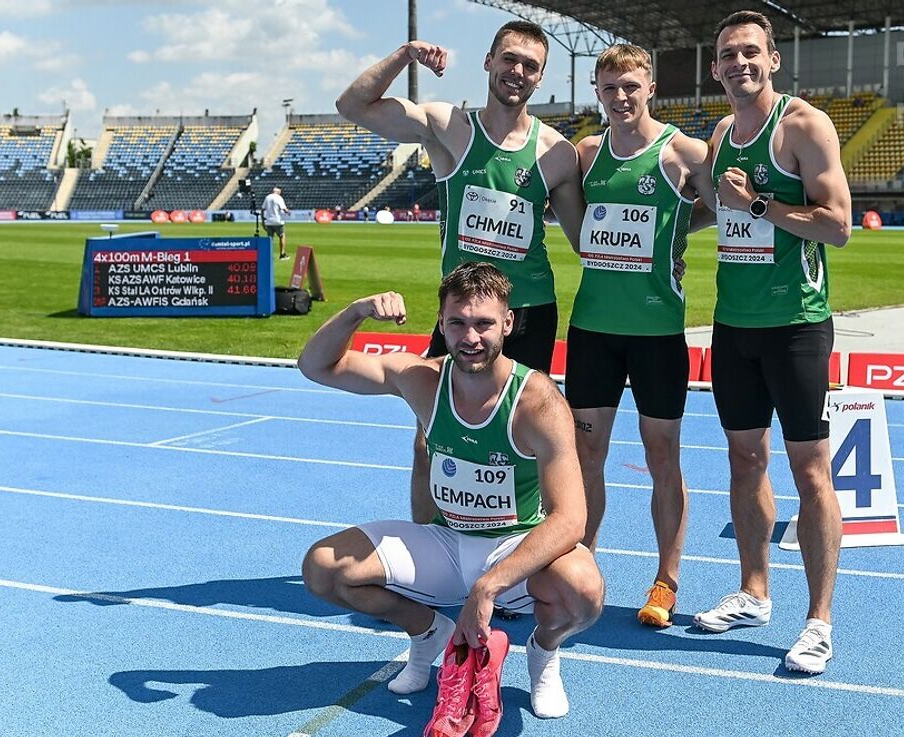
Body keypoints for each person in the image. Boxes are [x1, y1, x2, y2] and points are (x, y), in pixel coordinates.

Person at [298, 261, 604, 721]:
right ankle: (427, 633)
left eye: (483, 324)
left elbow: (570, 520)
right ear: (441, 323)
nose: (470, 337)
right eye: (457, 323)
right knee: (324, 569)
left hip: (515, 545)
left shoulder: (537, 401)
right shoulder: (421, 379)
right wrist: (358, 311)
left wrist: (489, 585)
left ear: (508, 323)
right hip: (446, 541)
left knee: (584, 589)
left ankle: (544, 654)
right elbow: (316, 365)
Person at [336, 20, 584, 526]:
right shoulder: (449, 128)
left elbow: (587, 240)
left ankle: (517, 548)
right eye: (509, 59)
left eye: (530, 65)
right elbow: (352, 107)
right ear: (488, 61)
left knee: (524, 438)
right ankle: (428, 546)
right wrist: (405, 53)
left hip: (528, 311)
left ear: (541, 79)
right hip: (461, 314)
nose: (518, 71)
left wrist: (680, 228)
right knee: (431, 437)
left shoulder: (556, 153)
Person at [694, 10, 851, 675]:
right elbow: (711, 206)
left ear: (774, 59)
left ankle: (818, 621)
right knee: (743, 459)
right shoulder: (723, 132)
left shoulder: (804, 126)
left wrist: (758, 204)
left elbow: (838, 225)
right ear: (715, 68)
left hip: (796, 325)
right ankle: (754, 591)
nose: (740, 63)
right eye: (729, 55)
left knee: (809, 470)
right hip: (734, 325)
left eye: (751, 52)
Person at [564, 44, 716, 628]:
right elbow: (573, 217)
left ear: (649, 86)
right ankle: (584, 566)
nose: (620, 97)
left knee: (662, 457)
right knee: (586, 456)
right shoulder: (587, 152)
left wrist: (675, 232)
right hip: (594, 329)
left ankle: (666, 581)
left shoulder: (685, 152)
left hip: (657, 333)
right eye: (609, 88)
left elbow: (715, 210)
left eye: (630, 86)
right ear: (598, 93)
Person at [261, 187, 289, 260]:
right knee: (282, 235)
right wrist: (288, 212)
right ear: (278, 192)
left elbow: (263, 209)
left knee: (270, 239)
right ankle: (282, 254)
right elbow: (283, 208)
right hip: (277, 221)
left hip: (269, 221)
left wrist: (263, 221)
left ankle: (269, 255)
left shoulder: (267, 197)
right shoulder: (279, 198)